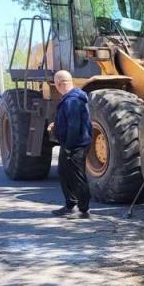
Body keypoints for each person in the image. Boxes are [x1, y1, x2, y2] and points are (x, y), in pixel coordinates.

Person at [49, 70, 93, 219]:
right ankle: (70, 205)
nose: (55, 87)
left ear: (59, 83)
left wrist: (68, 147)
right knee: (64, 173)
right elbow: (70, 120)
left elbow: (74, 125)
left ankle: (84, 210)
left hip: (75, 144)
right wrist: (57, 125)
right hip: (70, 143)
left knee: (77, 177)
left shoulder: (72, 100)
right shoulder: (71, 98)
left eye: (55, 84)